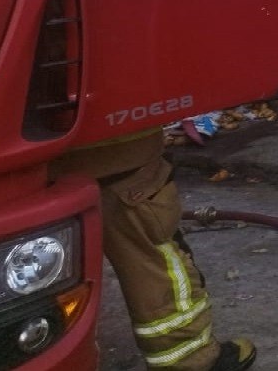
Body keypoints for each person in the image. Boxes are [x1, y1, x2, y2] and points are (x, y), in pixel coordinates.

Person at [51, 132, 257, 370]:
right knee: (150, 257)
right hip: (115, 151)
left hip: (37, 163)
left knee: (47, 266)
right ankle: (192, 362)